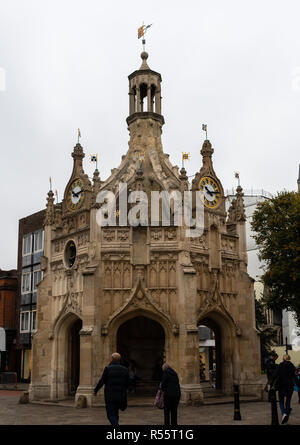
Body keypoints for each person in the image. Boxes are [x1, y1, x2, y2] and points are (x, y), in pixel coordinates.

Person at [94, 352, 130, 426]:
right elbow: (128, 383)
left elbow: (102, 381)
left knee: (110, 414)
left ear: (111, 359)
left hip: (110, 395)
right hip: (120, 395)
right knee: (116, 413)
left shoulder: (108, 369)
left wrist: (96, 390)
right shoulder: (125, 370)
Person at [272, 354, 299, 424]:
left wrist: (271, 383)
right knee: (288, 402)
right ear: (289, 359)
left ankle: (284, 414)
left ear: (283, 359)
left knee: (281, 401)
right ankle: (286, 414)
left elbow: (274, 375)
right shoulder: (292, 366)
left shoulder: (279, 366)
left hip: (281, 386)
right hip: (290, 386)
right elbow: (295, 377)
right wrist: (299, 385)